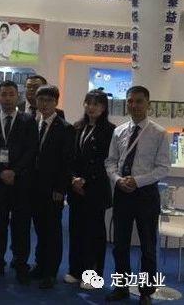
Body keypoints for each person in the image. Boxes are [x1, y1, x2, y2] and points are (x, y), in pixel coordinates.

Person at [105, 86, 170, 305]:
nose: (134, 105)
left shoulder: (159, 133)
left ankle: (146, 292)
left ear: (148, 103)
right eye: (130, 101)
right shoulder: (119, 131)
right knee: (120, 244)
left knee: (147, 246)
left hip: (146, 195)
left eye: (139, 101)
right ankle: (121, 287)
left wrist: (138, 181)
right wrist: (117, 179)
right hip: (122, 193)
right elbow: (110, 162)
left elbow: (163, 168)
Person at [0, 80, 37, 285]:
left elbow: (31, 150)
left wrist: (14, 171)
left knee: (21, 225)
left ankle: (21, 263)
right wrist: (1, 172)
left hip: (20, 182)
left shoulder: (28, 121)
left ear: (18, 97)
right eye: (3, 94)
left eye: (11, 94)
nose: (7, 98)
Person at [65, 90, 115, 290]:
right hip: (75, 188)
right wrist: (73, 179)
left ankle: (93, 276)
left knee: (93, 234)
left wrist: (84, 181)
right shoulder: (77, 127)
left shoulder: (110, 130)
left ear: (104, 108)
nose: (91, 107)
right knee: (76, 230)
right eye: (88, 103)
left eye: (97, 104)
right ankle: (75, 270)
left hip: (95, 189)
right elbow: (70, 157)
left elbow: (107, 161)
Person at [30, 85, 74, 289]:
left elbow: (67, 162)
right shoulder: (33, 123)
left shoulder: (65, 128)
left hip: (53, 190)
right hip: (35, 187)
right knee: (40, 229)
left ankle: (50, 272)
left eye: (49, 100)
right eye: (41, 100)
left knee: (52, 232)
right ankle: (39, 265)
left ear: (56, 102)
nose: (45, 104)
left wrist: (61, 189)